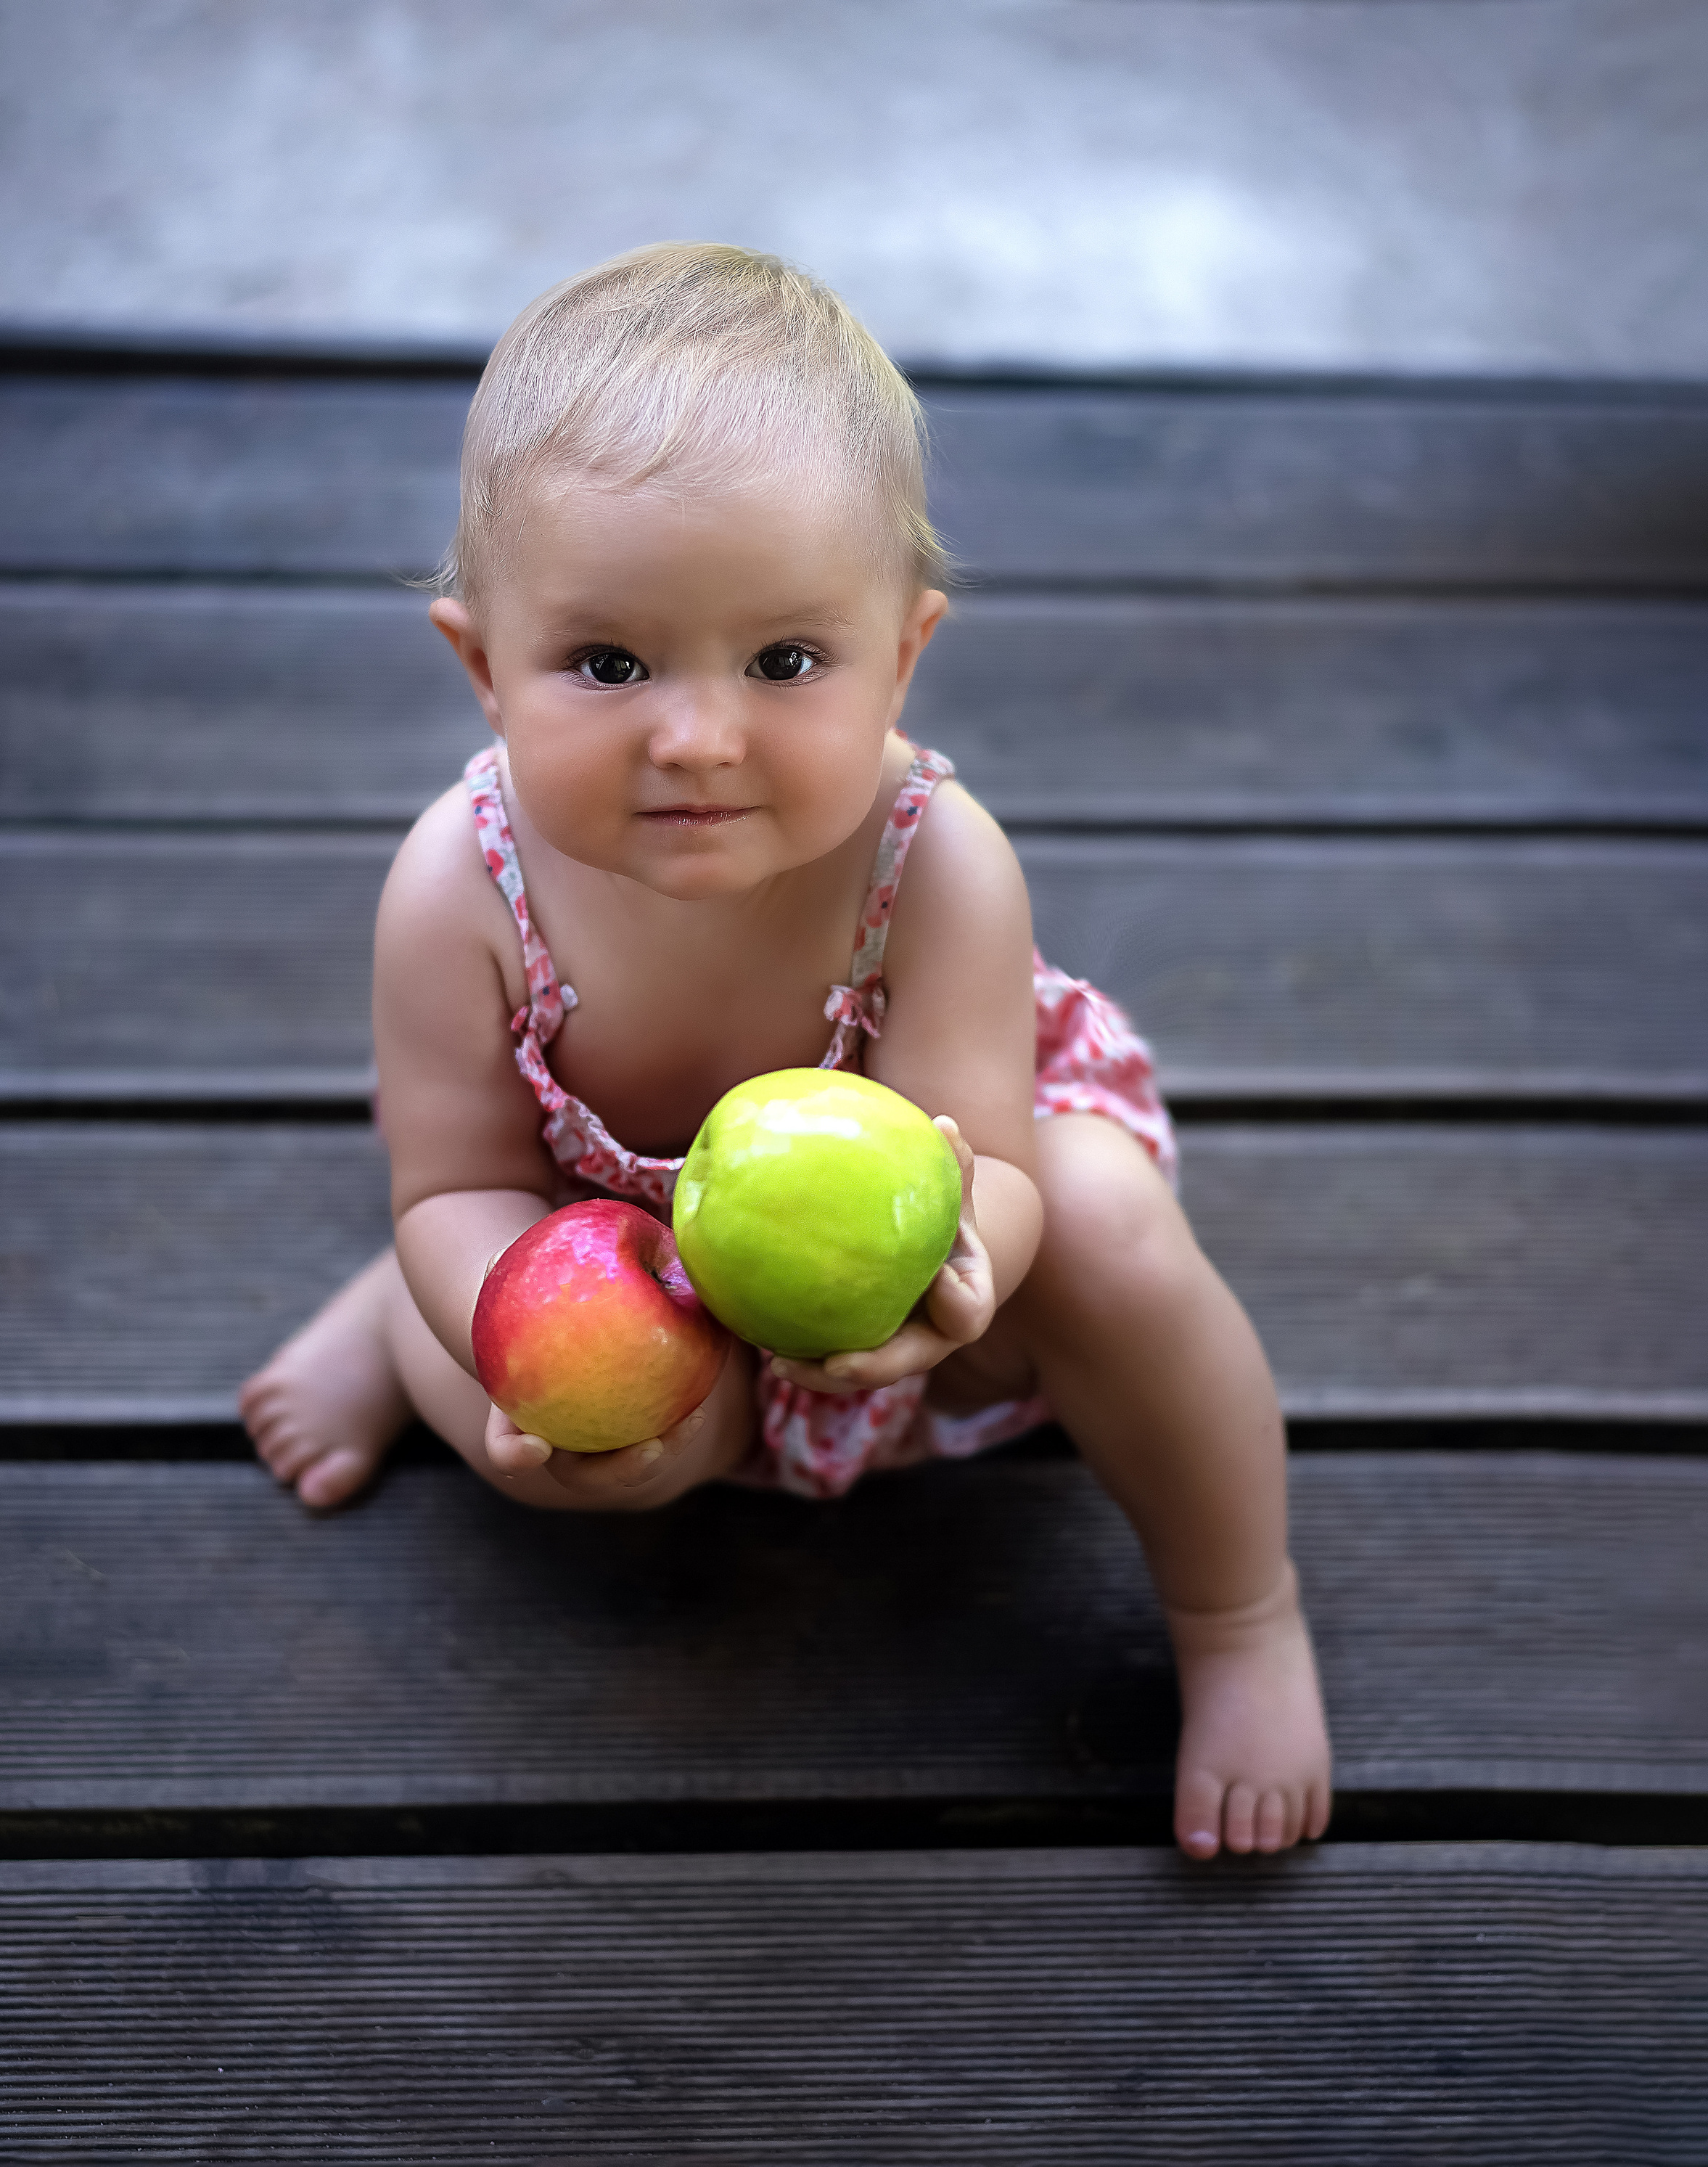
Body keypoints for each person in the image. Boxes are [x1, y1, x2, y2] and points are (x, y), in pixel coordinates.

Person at [240, 242, 1331, 1860]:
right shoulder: (454, 886)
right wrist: (513, 1328)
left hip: (891, 1273)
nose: (696, 735)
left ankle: (1239, 1609)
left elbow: (987, 1151)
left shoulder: (931, 859)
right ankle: (401, 1316)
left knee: (1103, 1219)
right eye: (607, 664)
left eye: (783, 660)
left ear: (903, 653)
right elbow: (465, 1171)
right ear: (483, 669)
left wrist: (957, 1276)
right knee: (525, 1416)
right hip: (603, 1246)